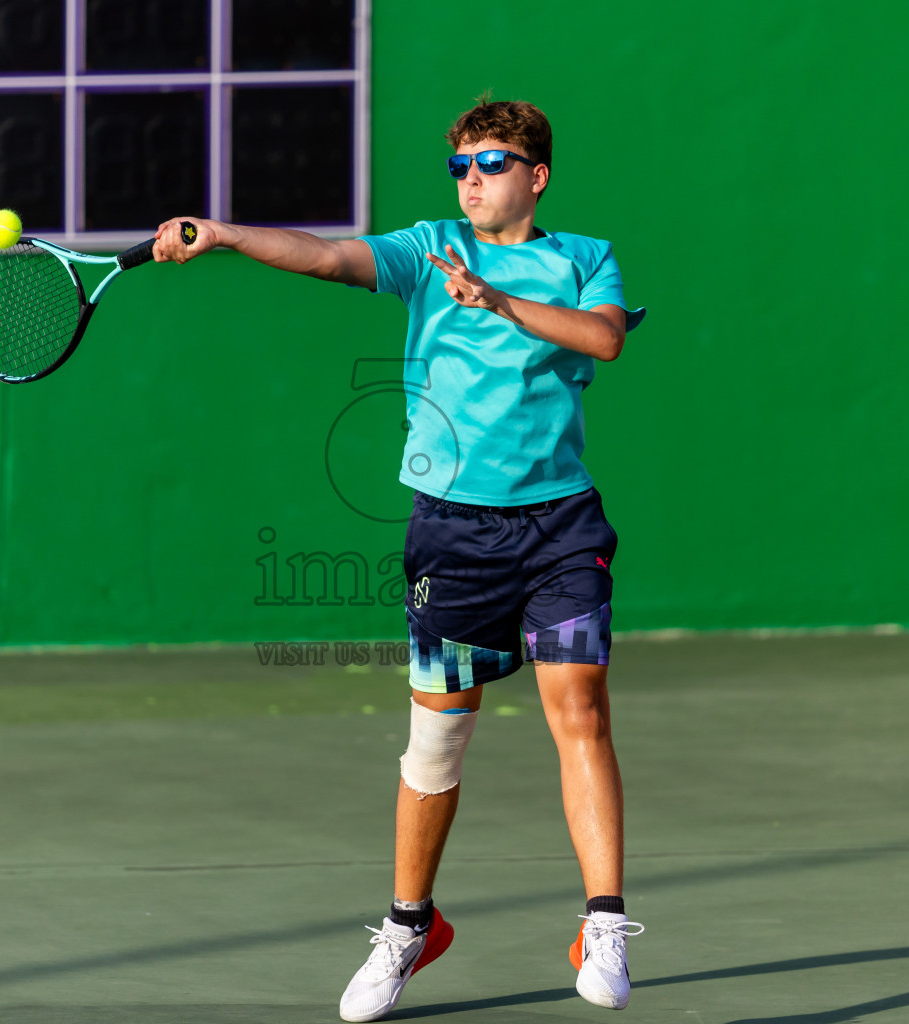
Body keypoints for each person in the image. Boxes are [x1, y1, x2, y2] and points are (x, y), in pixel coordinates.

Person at [150, 95, 647, 1021]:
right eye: (460, 165)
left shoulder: (584, 259)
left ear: (535, 175)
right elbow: (330, 255)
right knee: (438, 738)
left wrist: (497, 299)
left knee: (579, 705)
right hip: (454, 535)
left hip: (561, 529)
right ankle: (412, 926)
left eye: (490, 164)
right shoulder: (426, 251)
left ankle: (605, 921)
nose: (471, 182)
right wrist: (223, 234)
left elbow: (605, 338)